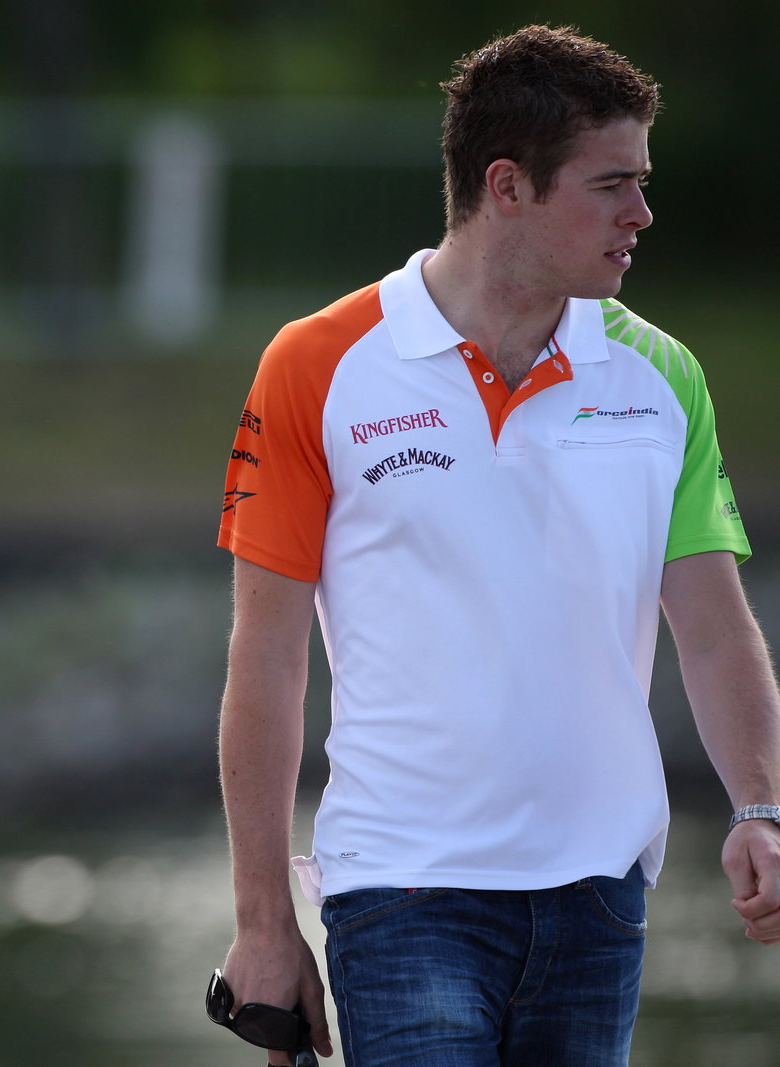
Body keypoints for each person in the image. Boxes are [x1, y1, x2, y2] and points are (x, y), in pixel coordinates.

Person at [213, 25, 780, 1067]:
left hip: (601, 896)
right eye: (611, 185)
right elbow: (267, 658)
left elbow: (712, 625)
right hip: (403, 890)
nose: (641, 214)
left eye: (642, 181)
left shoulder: (663, 375)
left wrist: (759, 805)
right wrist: (261, 922)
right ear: (507, 185)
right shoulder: (316, 362)